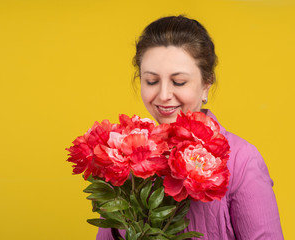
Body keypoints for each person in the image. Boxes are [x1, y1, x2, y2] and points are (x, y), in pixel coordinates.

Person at [96, 15, 283, 239]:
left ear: (206, 84)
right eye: (152, 81)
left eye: (179, 82)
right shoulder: (125, 159)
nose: (164, 95)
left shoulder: (242, 161)